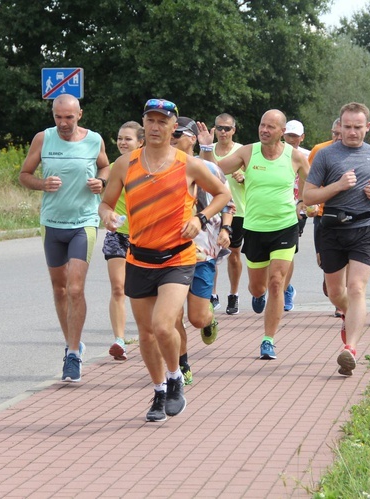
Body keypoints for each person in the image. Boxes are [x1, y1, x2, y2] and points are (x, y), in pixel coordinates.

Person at [99, 98, 230, 422]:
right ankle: (159, 390)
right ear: (144, 125)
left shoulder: (188, 164)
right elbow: (106, 203)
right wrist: (108, 217)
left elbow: (224, 194)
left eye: (162, 121)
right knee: (145, 334)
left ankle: (175, 377)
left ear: (174, 127)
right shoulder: (124, 165)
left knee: (162, 325)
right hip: (139, 257)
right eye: (151, 121)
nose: (156, 127)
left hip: (178, 257)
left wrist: (201, 217)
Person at [198, 109, 310, 360]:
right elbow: (213, 171)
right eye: (262, 125)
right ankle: (258, 296)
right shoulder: (248, 152)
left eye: (271, 127)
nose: (264, 130)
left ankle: (268, 339)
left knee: (276, 282)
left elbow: (311, 180)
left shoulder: (295, 156)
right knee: (258, 287)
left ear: (282, 132)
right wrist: (206, 148)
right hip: (256, 228)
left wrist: (303, 201)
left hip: (285, 225)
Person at [19, 94, 110, 383]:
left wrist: (102, 182)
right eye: (58, 117)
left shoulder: (94, 140)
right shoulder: (42, 139)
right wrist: (41, 184)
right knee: (59, 290)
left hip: (83, 223)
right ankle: (72, 341)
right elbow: (24, 174)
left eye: (68, 117)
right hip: (52, 224)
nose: (63, 123)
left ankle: (72, 354)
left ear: (79, 114)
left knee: (74, 289)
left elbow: (106, 167)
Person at [303, 102, 370, 377]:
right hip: (332, 227)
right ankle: (348, 316)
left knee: (357, 288)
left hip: (366, 227)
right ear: (339, 127)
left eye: (358, 127)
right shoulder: (325, 155)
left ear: (367, 127)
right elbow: (309, 196)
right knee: (336, 293)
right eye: (347, 127)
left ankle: (351, 349)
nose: (353, 132)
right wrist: (338, 186)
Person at [170, 116, 234, 385]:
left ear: (192, 138)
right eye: (170, 133)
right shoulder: (159, 169)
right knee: (173, 316)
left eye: (178, 134)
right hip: (170, 253)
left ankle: (209, 319)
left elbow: (228, 204)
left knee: (196, 318)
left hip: (202, 253)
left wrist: (225, 230)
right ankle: (181, 365)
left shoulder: (208, 168)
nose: (172, 138)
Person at [105, 121, 144, 361]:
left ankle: (148, 335)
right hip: (117, 236)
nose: (122, 142)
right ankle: (119, 340)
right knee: (118, 288)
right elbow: (103, 201)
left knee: (141, 292)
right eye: (119, 138)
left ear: (140, 142)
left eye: (127, 139)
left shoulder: (150, 168)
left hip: (145, 237)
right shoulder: (111, 169)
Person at [209, 113, 245, 315]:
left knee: (233, 254)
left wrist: (243, 178)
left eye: (227, 128)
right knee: (211, 254)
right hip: (214, 208)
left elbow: (255, 180)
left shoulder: (242, 151)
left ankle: (234, 294)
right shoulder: (208, 150)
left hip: (237, 209)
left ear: (234, 130)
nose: (223, 132)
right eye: (219, 128)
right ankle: (212, 294)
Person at [308, 118, 343, 317]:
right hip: (322, 214)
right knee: (325, 259)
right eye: (334, 134)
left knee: (345, 256)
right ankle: (329, 274)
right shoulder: (319, 150)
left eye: (341, 133)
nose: (338, 137)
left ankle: (340, 302)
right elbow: (307, 178)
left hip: (347, 214)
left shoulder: (355, 152)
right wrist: (308, 204)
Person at [282, 119, 312, 312]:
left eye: (295, 136)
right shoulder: (273, 154)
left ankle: (284, 289)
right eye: (289, 135)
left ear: (302, 137)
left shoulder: (309, 156)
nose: (292, 139)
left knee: (288, 251)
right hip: (273, 207)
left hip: (297, 207)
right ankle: (286, 286)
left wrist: (309, 203)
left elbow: (315, 181)